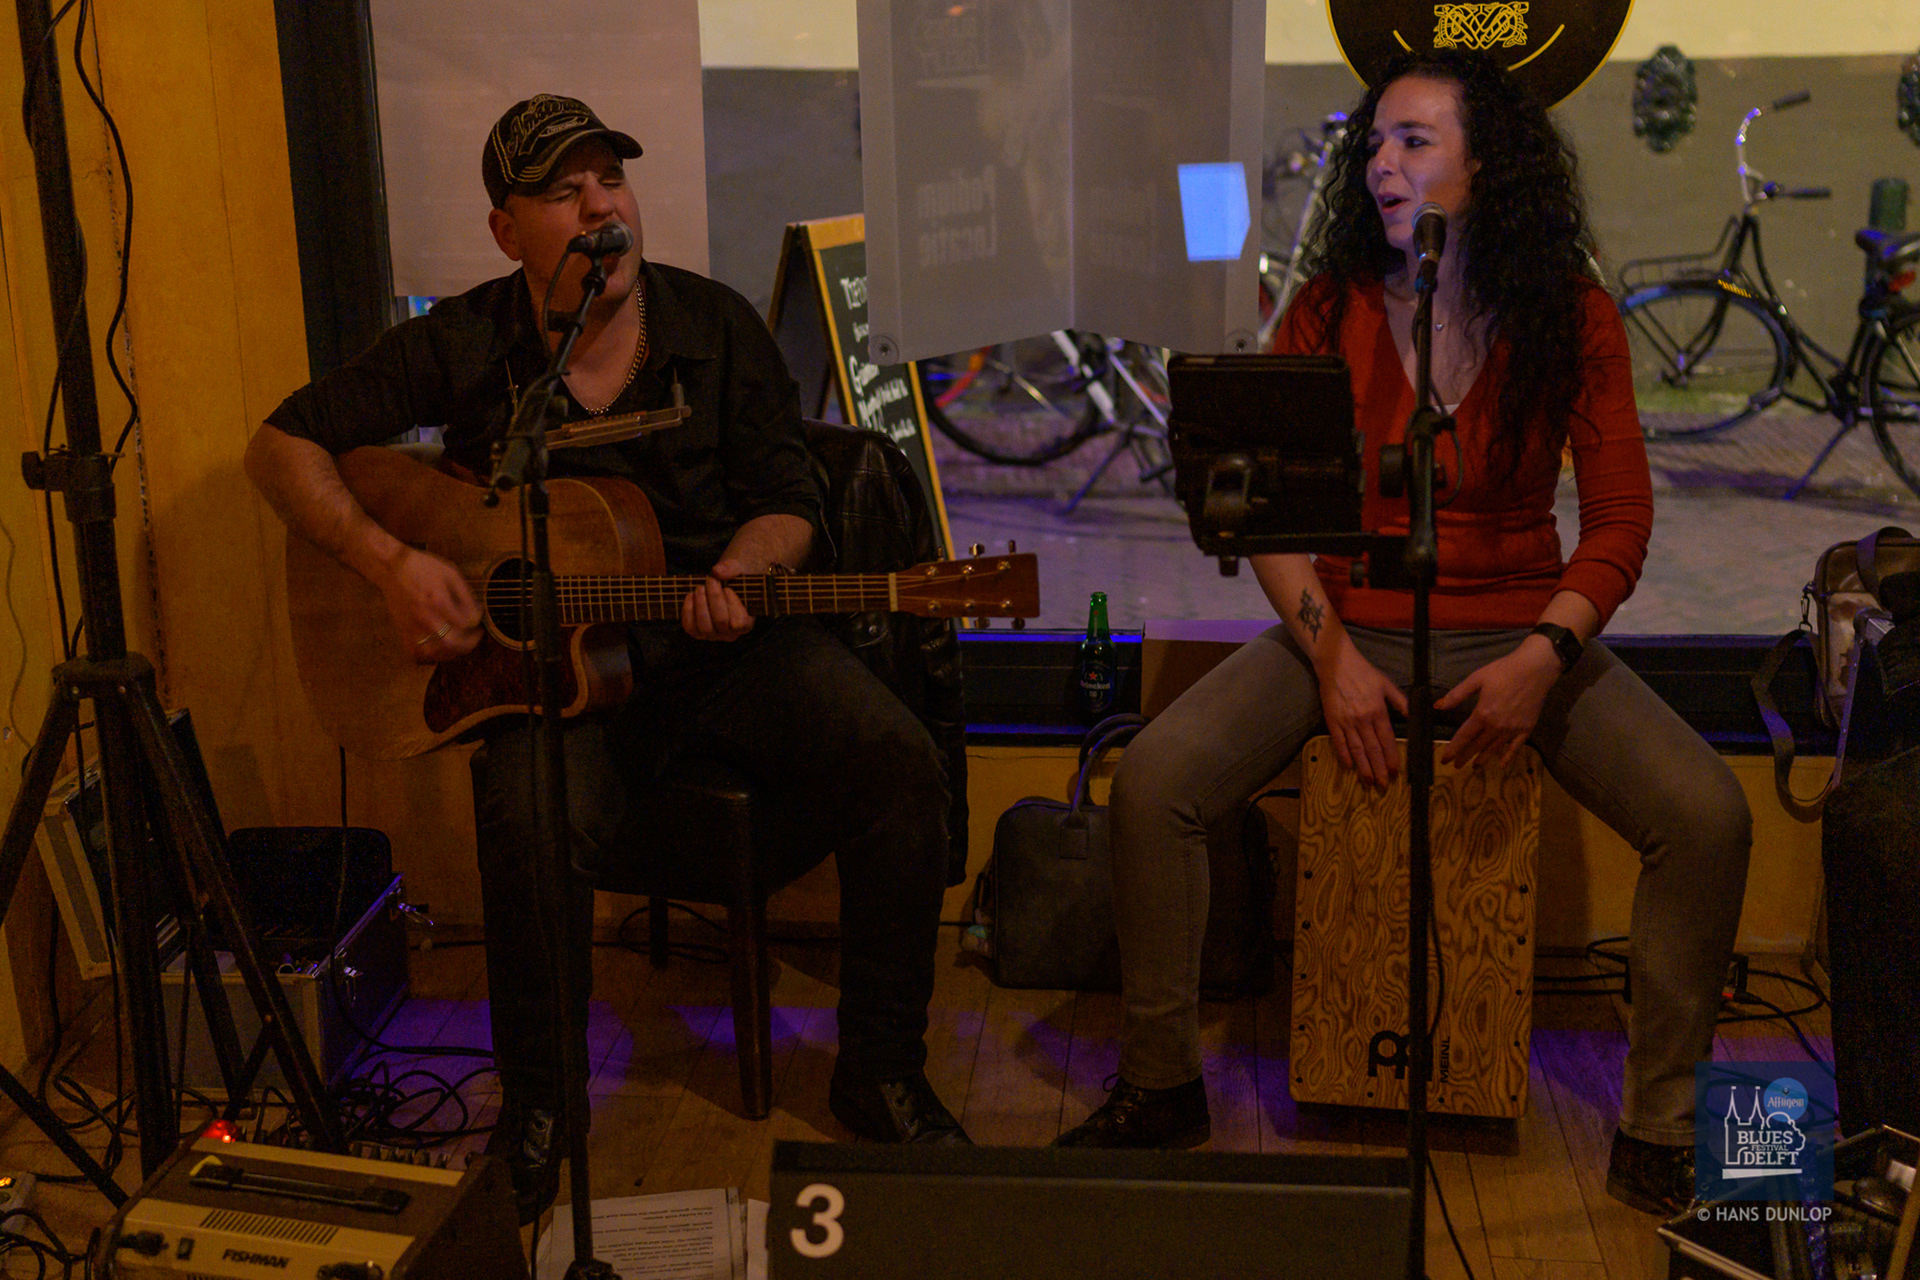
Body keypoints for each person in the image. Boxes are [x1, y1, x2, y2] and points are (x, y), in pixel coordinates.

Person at [246, 94, 969, 1223]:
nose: (601, 208)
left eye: (611, 180)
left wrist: (744, 569)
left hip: (724, 648)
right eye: (563, 191)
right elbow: (280, 444)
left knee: (899, 761)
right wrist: (393, 565)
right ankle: (544, 1110)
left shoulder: (714, 327)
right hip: (553, 679)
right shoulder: (468, 343)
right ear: (507, 231)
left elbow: (791, 501)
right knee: (525, 811)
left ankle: (880, 1067)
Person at [1053, 50, 1751, 1217]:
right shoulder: (1326, 309)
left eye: (1414, 140)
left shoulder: (1571, 315)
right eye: (1374, 142)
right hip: (1351, 620)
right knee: (1157, 780)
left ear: (1488, 165)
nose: (1382, 161)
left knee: (1708, 812)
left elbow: (1621, 522)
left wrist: (1545, 656)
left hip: (1520, 626)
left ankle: (1662, 1124)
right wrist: (1331, 659)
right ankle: (1161, 1081)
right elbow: (1262, 510)